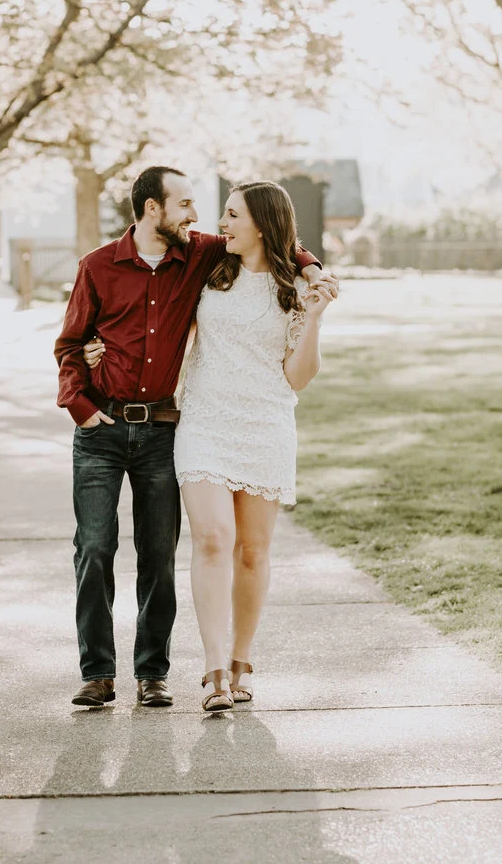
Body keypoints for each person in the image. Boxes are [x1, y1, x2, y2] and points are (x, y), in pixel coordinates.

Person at [54, 166, 336, 709]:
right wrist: (81, 404)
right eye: (186, 204)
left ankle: (172, 672)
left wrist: (313, 276)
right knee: (102, 546)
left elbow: (283, 242)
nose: (203, 218)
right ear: (153, 209)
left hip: (196, 425)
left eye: (224, 212)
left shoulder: (205, 257)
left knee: (174, 554)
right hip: (140, 427)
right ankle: (114, 673)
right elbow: (71, 342)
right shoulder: (120, 267)